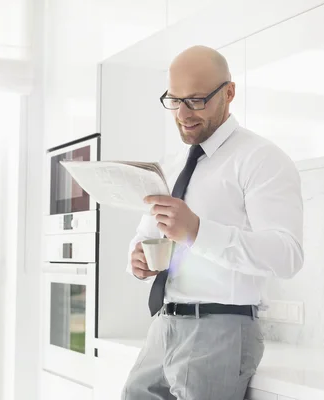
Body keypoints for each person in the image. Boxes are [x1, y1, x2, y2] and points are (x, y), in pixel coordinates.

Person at [122, 45, 304, 400]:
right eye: (174, 100)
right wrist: (137, 259)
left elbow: (287, 255)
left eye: (197, 100)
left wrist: (197, 231)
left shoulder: (261, 159)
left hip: (220, 329)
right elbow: (148, 234)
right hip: (163, 326)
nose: (183, 113)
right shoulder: (172, 164)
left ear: (229, 93)